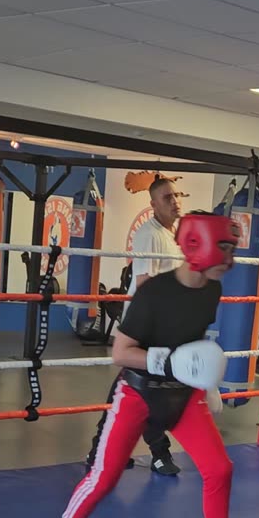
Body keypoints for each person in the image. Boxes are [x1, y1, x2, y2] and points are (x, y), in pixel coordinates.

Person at [24, 211, 259, 518]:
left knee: (218, 469)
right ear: (198, 246)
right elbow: (120, 352)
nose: (231, 260)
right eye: (225, 249)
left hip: (182, 394)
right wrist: (167, 361)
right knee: (103, 478)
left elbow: (190, 342)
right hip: (137, 393)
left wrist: (204, 381)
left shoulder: (211, 289)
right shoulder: (155, 291)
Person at [85, 177, 185, 477]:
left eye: (175, 195)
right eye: (166, 197)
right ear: (153, 204)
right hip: (146, 328)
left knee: (138, 391)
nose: (174, 200)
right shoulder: (148, 235)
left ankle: (102, 452)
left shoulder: (172, 236)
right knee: (143, 390)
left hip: (161, 328)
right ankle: (155, 453)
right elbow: (144, 284)